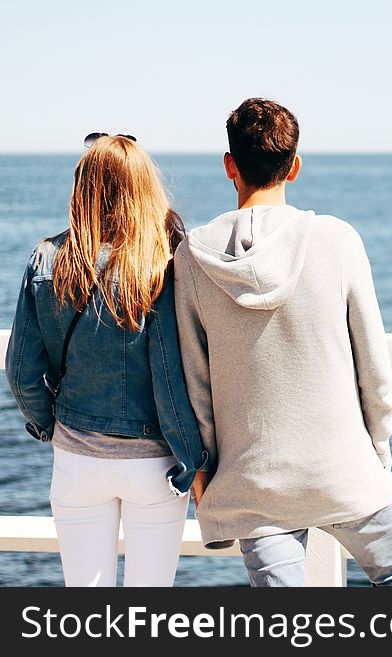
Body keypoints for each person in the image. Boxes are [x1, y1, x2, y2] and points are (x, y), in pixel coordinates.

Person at [175, 98, 392, 587]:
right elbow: (373, 369)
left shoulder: (191, 258)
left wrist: (206, 468)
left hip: (253, 480)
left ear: (230, 165)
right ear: (295, 166)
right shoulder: (337, 240)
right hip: (343, 467)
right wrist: (378, 459)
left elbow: (195, 383)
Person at [5, 134, 209, 587]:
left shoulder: (48, 258)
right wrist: (193, 456)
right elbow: (176, 374)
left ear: (82, 189)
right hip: (153, 462)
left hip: (77, 455)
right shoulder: (164, 261)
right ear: (142, 188)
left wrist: (50, 425)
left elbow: (21, 372)